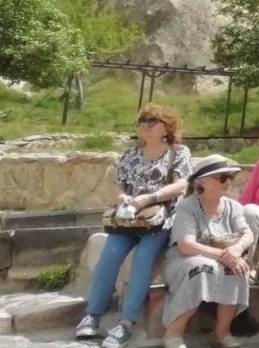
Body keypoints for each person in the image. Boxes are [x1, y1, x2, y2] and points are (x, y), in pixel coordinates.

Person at [76, 104, 192, 347]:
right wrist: (122, 198)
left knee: (143, 259)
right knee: (110, 256)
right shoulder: (130, 155)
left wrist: (149, 198)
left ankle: (126, 324)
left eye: (152, 121)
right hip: (129, 221)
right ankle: (92, 315)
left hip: (161, 222)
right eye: (143, 121)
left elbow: (181, 185)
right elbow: (118, 185)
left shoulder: (177, 152)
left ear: (166, 127)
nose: (146, 126)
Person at [161, 155, 254, 348]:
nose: (227, 182)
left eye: (230, 177)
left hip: (220, 260)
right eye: (222, 177)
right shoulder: (187, 206)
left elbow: (248, 234)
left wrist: (236, 250)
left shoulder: (233, 206)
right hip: (183, 261)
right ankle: (173, 333)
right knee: (203, 267)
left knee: (236, 269)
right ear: (202, 181)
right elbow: (186, 246)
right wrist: (226, 257)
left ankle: (222, 332)